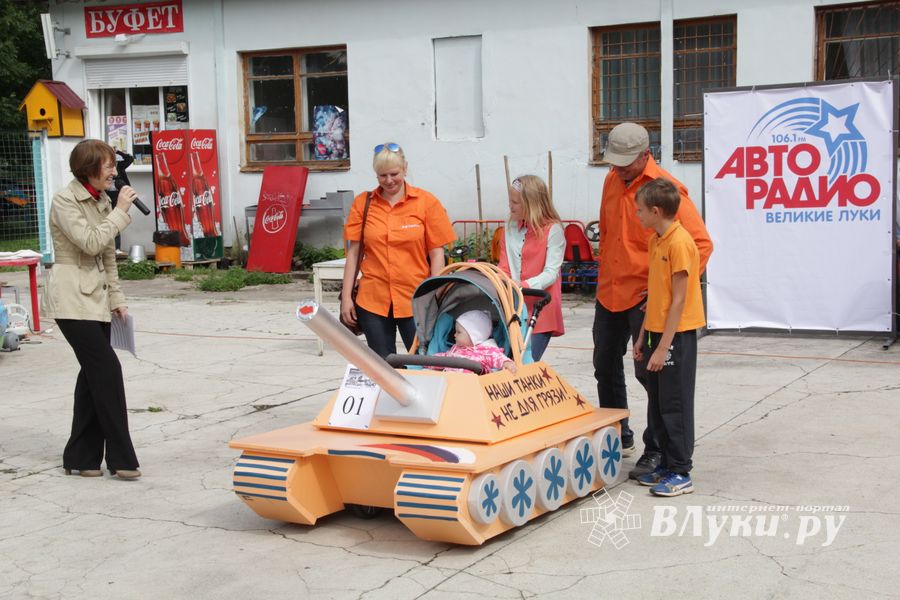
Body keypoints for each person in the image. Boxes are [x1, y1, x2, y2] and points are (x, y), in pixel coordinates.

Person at [593, 122, 712, 478]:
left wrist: (665, 289)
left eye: (625, 162)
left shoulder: (664, 190)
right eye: (614, 161)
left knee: (651, 375)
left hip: (643, 298)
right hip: (609, 291)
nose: (618, 168)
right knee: (604, 367)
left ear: (646, 154)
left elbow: (700, 245)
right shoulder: (612, 180)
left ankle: (657, 448)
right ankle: (616, 436)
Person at [41, 139, 141, 480]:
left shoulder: (100, 199)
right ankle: (122, 458)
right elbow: (91, 242)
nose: (114, 172)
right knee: (107, 371)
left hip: (96, 299)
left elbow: (107, 256)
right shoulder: (65, 200)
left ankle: (81, 458)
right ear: (89, 169)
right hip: (71, 299)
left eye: (115, 165)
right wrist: (120, 211)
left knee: (91, 378)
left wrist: (118, 299)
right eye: (109, 166)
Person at [341, 142, 456, 358]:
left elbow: (437, 254)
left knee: (424, 361)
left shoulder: (426, 202)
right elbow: (354, 254)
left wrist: (434, 294)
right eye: (382, 176)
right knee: (383, 366)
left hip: (415, 298)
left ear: (405, 168)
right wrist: (347, 297)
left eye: (394, 173)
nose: (389, 181)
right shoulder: (362, 204)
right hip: (373, 299)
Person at [631, 178, 705, 496]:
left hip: (676, 335)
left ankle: (680, 470)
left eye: (640, 211)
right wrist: (643, 336)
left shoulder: (679, 243)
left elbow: (678, 300)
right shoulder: (656, 241)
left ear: (656, 211)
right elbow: (656, 296)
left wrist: (663, 347)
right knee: (658, 402)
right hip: (656, 332)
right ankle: (664, 463)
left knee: (675, 403)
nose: (637, 215)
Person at [498, 174, 565, 360]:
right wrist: (502, 282)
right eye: (510, 201)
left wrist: (524, 285)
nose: (510, 206)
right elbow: (504, 264)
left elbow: (551, 273)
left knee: (528, 361)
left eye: (515, 202)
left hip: (540, 308)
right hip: (514, 306)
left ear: (531, 204)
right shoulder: (509, 228)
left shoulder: (553, 231)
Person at [430, 310, 516, 374]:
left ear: (474, 335)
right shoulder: (455, 349)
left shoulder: (486, 351)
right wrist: (431, 361)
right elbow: (445, 358)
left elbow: (498, 357)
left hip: (472, 385)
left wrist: (506, 363)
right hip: (450, 381)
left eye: (458, 332)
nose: (454, 335)